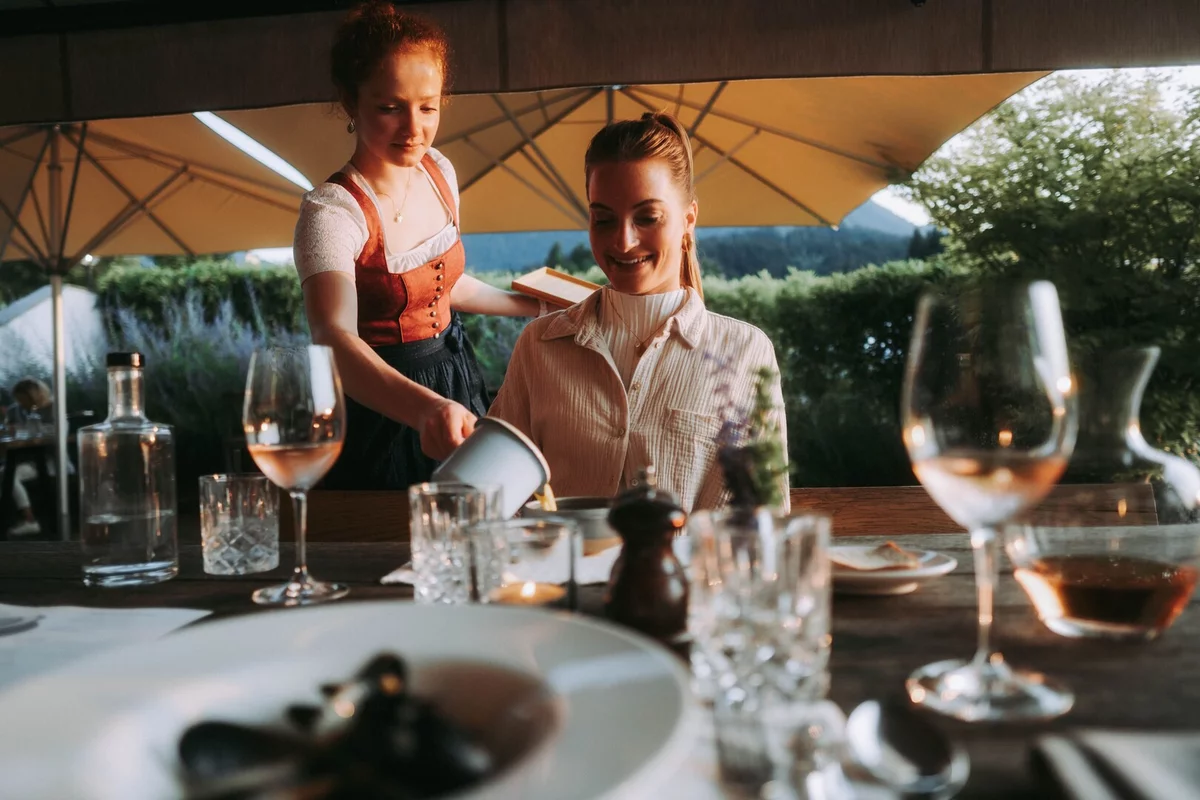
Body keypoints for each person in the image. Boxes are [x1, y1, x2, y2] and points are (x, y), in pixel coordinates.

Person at [294, 1, 544, 490]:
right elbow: (333, 339)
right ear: (350, 102)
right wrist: (425, 408)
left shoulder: (438, 172)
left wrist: (534, 306)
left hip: (455, 381)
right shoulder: (331, 212)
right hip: (382, 404)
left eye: (428, 107)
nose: (414, 130)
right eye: (390, 108)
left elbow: (444, 287)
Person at [488, 113, 789, 513]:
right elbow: (498, 499)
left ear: (689, 219)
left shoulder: (744, 351)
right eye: (603, 219)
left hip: (693, 558)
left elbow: (759, 515)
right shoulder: (539, 345)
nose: (624, 241)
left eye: (647, 218)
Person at [2, 378, 54, 536]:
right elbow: (7, 431)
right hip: (21, 459)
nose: (20, 403)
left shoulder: (53, 409)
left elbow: (56, 433)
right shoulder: (14, 411)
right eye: (18, 399)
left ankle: (30, 520)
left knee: (8, 475)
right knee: (5, 473)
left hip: (49, 461)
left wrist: (24, 430)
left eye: (23, 399)